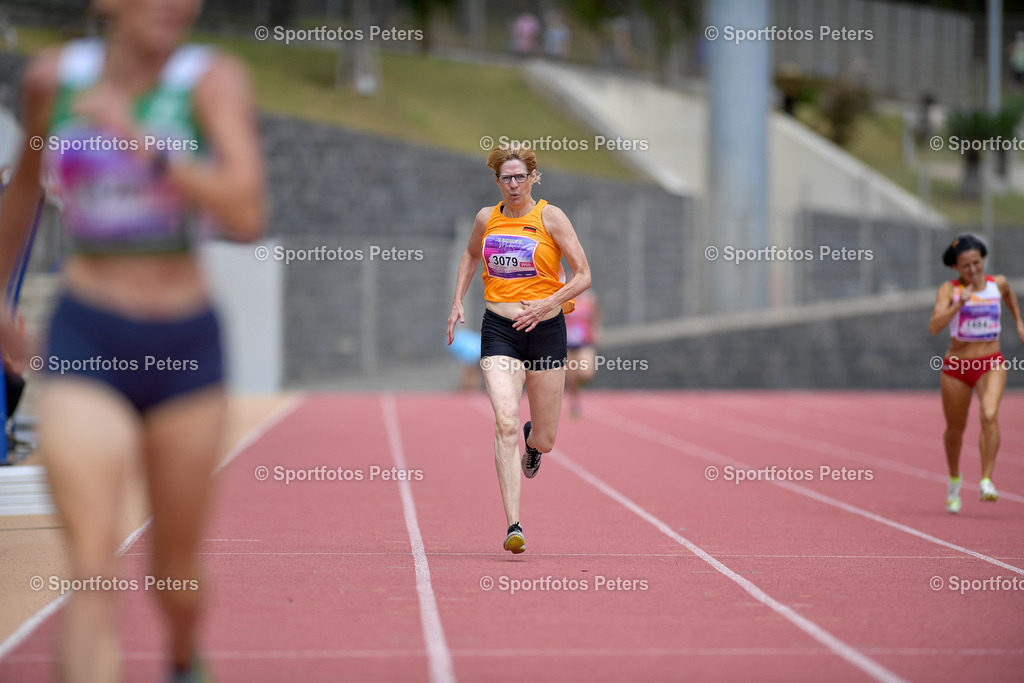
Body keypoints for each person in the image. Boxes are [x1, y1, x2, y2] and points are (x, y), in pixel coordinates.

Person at [0, 1, 265, 681]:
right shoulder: (54, 81)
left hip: (185, 347)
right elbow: (24, 189)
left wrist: (155, 157)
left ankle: (183, 655)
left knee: (173, 575)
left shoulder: (211, 81)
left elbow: (245, 211)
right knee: (92, 562)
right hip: (89, 334)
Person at [447, 144, 591, 553]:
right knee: (505, 421)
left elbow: (583, 274)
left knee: (544, 438)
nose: (513, 184)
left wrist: (549, 302)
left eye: (520, 177)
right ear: (497, 181)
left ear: (533, 178)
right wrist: (458, 300)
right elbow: (471, 254)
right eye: (506, 178)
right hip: (500, 330)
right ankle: (514, 525)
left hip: (545, 331)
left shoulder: (550, 217)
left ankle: (533, 446)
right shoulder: (486, 218)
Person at [928, 234, 1024, 514]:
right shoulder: (949, 290)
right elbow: (934, 326)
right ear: (956, 268)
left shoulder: (998, 284)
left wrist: (1019, 321)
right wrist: (959, 304)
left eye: (976, 263)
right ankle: (955, 480)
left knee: (989, 415)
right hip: (957, 368)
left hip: (990, 363)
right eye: (965, 266)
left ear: (984, 260)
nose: (972, 270)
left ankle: (986, 480)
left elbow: (1008, 296)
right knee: (956, 430)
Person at [565, 288, 600, 418]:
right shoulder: (563, 299)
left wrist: (597, 331)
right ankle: (574, 403)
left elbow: (596, 316)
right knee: (571, 378)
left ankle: (580, 386)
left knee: (587, 373)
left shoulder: (590, 299)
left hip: (585, 341)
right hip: (568, 343)